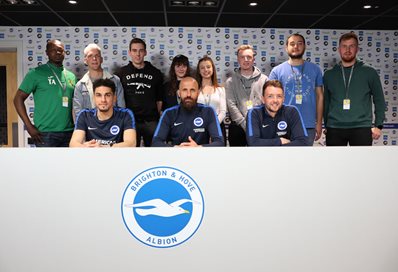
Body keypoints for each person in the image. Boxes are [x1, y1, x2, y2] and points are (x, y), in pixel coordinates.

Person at [323, 32, 386, 146]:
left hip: (361, 127)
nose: (347, 50)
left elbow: (379, 100)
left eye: (351, 46)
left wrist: (378, 125)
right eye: (344, 46)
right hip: (334, 128)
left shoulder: (369, 72)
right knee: (335, 164)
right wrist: (326, 125)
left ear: (357, 49)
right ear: (339, 49)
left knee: (362, 164)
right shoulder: (329, 75)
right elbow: (326, 102)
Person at [13, 39, 76, 147]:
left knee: (68, 164)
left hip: (69, 132)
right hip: (46, 134)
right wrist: (29, 126)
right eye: (53, 50)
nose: (57, 52)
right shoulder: (36, 73)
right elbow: (17, 99)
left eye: (60, 50)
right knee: (46, 164)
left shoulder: (71, 76)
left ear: (64, 52)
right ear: (47, 53)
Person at [269, 33, 324, 145]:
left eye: (299, 44)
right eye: (292, 44)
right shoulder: (277, 71)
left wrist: (319, 123)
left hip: (308, 125)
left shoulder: (315, 69)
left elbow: (320, 97)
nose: (296, 47)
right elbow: (270, 100)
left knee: (304, 160)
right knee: (282, 160)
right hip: (283, 123)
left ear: (305, 47)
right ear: (286, 47)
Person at [152, 77, 224, 147]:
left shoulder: (208, 111)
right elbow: (156, 142)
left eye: (192, 90)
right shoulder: (169, 113)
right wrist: (177, 148)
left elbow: (219, 142)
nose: (188, 94)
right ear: (179, 93)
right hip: (176, 157)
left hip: (201, 156)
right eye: (184, 90)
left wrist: (198, 148)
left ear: (198, 93)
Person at [118, 38, 164, 147]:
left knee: (154, 152)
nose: (137, 54)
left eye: (141, 50)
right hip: (130, 121)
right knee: (130, 154)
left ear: (145, 52)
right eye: (134, 50)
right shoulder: (121, 73)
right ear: (129, 52)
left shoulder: (155, 73)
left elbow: (159, 100)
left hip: (151, 121)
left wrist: (153, 114)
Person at [69, 78, 136, 147]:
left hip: (116, 156)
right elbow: (73, 144)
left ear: (114, 98)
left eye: (107, 95)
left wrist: (104, 147)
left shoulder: (125, 114)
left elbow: (131, 143)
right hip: (92, 156)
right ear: (94, 98)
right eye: (99, 95)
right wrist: (86, 147)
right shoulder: (85, 115)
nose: (103, 100)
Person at [225, 44, 268, 146]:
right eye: (242, 57)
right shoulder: (230, 82)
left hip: (260, 125)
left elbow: (267, 102)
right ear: (238, 59)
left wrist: (255, 124)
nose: (246, 59)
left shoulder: (264, 80)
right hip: (238, 127)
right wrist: (245, 125)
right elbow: (231, 105)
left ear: (253, 59)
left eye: (249, 57)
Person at [246, 80, 307, 146]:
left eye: (279, 96)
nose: (275, 100)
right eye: (270, 96)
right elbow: (253, 143)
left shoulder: (292, 111)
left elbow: (303, 142)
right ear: (263, 99)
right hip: (262, 156)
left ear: (283, 98)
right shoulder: (254, 113)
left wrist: (273, 148)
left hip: (286, 156)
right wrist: (280, 141)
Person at [73, 43, 125, 120]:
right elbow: (78, 113)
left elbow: (121, 108)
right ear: (85, 60)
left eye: (97, 56)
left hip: (113, 127)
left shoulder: (115, 80)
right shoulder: (80, 85)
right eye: (90, 56)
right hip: (90, 129)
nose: (94, 58)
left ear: (101, 59)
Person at [196, 56, 227, 145]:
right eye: (202, 68)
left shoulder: (220, 89)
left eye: (208, 67)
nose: (206, 70)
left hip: (218, 125)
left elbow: (223, 111)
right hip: (199, 125)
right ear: (199, 71)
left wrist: (213, 126)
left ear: (213, 68)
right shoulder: (195, 90)